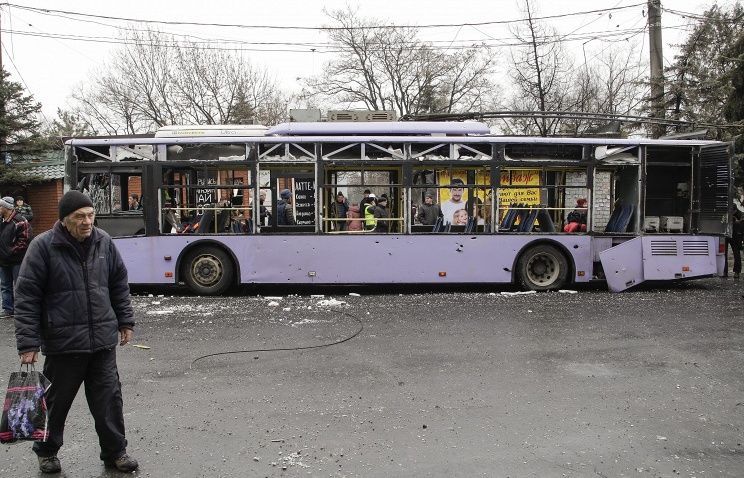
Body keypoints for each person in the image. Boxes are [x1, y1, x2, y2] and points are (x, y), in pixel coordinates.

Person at [13, 190, 138, 474]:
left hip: (102, 343)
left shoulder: (103, 242)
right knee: (56, 405)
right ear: (65, 220)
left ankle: (115, 452)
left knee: (109, 402)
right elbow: (27, 296)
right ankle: (46, 452)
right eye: (79, 217)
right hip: (63, 344)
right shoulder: (43, 247)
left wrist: (125, 321)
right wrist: (28, 343)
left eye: (90, 215)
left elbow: (118, 283)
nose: (87, 222)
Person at [0, 196, 31, 318]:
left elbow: (25, 240)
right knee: (4, 286)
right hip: (3, 260)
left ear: (5, 208)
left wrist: (10, 251)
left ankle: (21, 309)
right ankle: (8, 309)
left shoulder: (20, 220)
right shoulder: (1, 221)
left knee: (19, 285)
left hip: (17, 260)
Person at [727, 209, 743, 279]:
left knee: (737, 254)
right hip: (727, 234)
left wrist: (735, 221)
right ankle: (724, 271)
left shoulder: (740, 214)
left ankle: (737, 272)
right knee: (723, 254)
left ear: (735, 210)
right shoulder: (727, 213)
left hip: (736, 236)